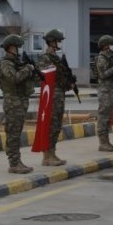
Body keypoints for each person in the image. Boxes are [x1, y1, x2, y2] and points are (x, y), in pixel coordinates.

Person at [0, 34, 35, 174]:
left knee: (17, 133)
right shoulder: (5, 63)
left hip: (20, 101)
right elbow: (14, 78)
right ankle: (14, 163)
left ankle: (17, 161)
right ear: (11, 47)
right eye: (16, 47)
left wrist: (31, 70)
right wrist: (27, 69)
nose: (18, 50)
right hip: (13, 102)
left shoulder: (17, 63)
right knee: (13, 133)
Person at [37, 29, 71, 165]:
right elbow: (44, 75)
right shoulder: (45, 58)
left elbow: (61, 76)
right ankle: (46, 156)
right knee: (50, 125)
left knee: (57, 125)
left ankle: (52, 152)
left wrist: (69, 82)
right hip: (51, 95)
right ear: (52, 42)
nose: (59, 44)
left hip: (59, 94)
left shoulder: (57, 58)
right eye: (57, 41)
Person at [94, 34, 113, 152]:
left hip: (111, 89)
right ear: (105, 46)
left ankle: (107, 141)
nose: (112, 46)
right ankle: (102, 143)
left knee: (108, 116)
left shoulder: (109, 58)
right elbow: (103, 75)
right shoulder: (101, 58)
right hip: (105, 90)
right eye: (110, 44)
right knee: (103, 116)